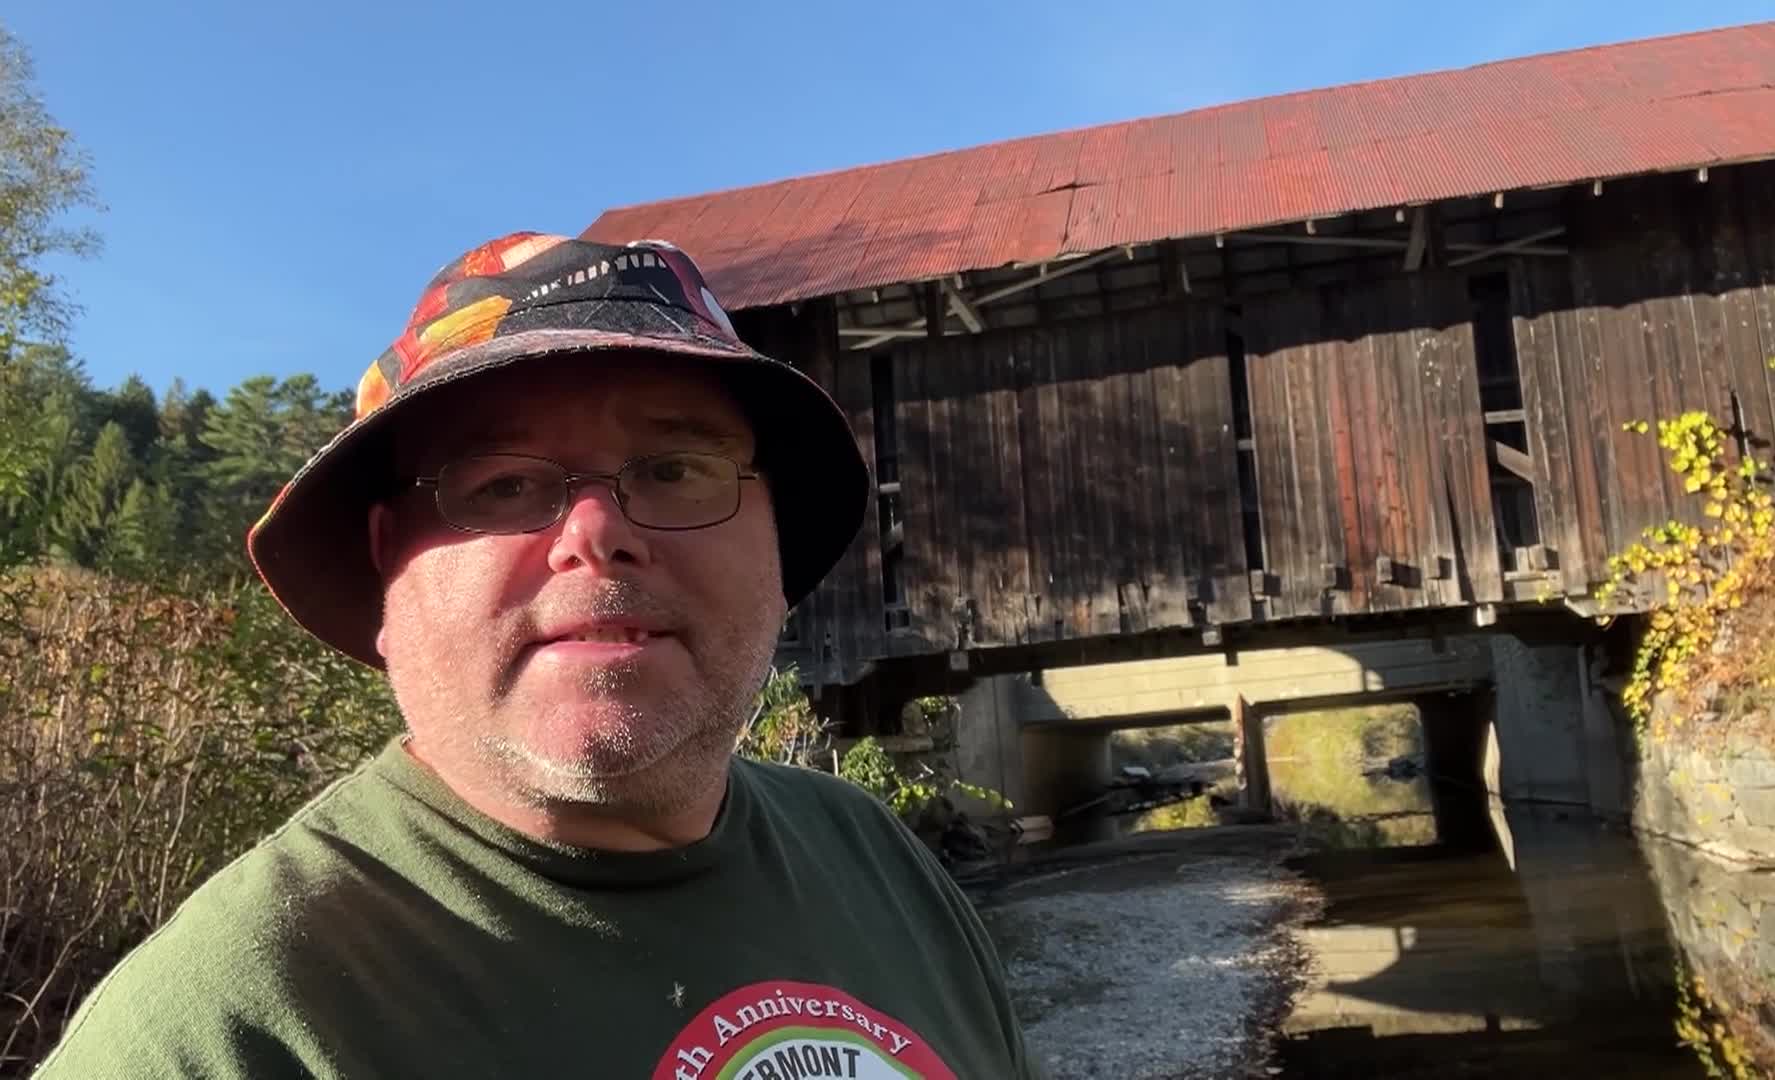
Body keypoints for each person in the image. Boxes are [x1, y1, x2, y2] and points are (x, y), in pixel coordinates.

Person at [36, 233, 1043, 1079]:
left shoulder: (873, 859)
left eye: (677, 468)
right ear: (391, 572)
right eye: (501, 487)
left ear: (776, 549)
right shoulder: (222, 1035)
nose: (595, 533)